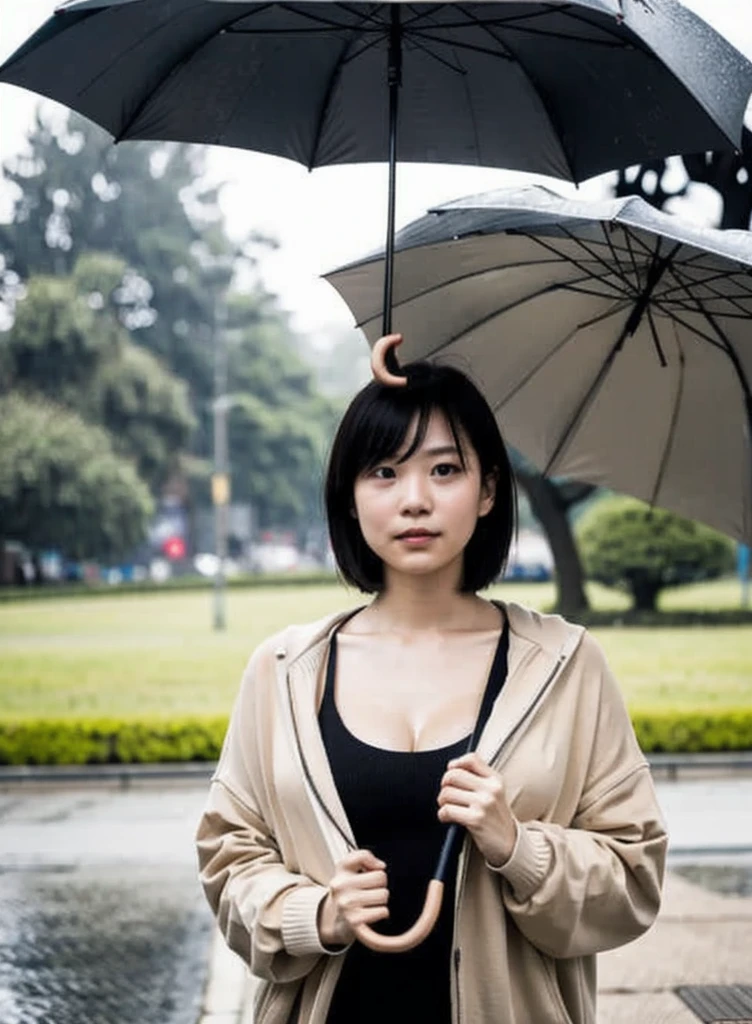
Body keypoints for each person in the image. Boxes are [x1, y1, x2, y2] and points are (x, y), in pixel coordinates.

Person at [196, 334, 667, 1024]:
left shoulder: (566, 664)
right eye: (383, 472)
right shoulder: (284, 672)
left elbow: (634, 879)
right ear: (349, 498)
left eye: (444, 470)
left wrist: (519, 847)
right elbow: (229, 861)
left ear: (487, 492)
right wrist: (314, 913)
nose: (414, 499)